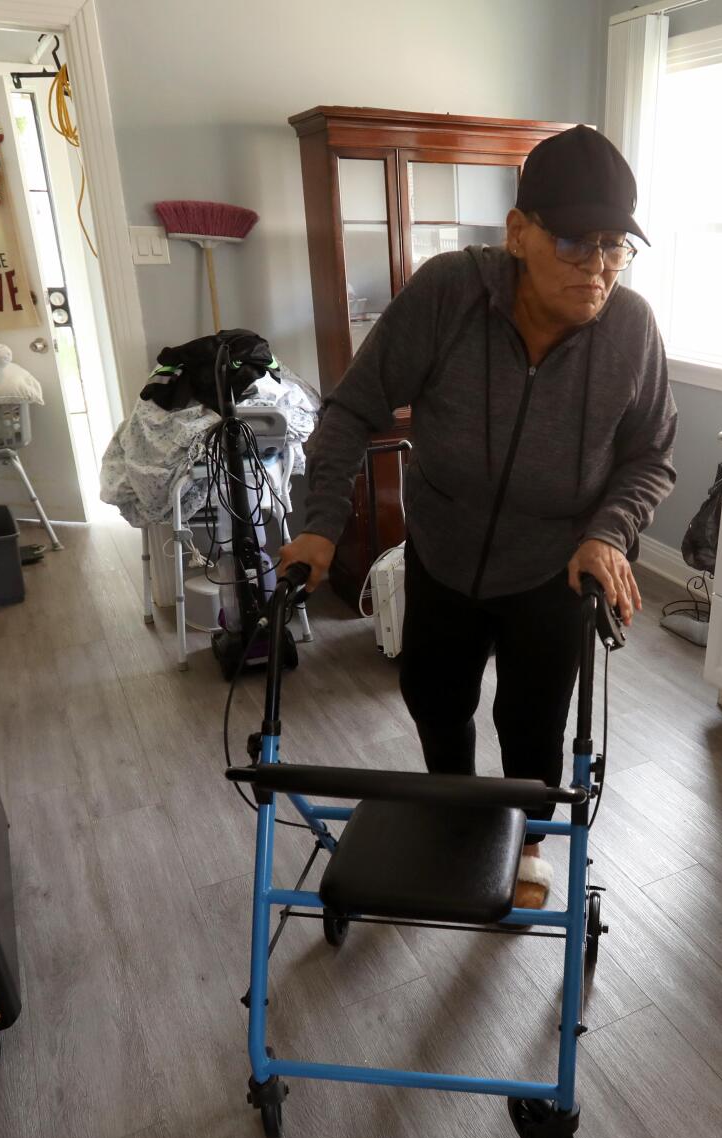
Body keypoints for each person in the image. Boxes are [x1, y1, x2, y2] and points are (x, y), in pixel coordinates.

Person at [282, 125, 678, 908]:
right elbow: (354, 405)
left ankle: (527, 843)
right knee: (436, 697)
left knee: (533, 726)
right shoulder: (449, 293)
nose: (597, 267)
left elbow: (650, 456)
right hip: (444, 549)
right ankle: (455, 814)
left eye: (613, 245)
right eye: (574, 243)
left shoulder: (631, 330)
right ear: (519, 233)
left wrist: (607, 532)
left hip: (552, 564)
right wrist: (322, 520)